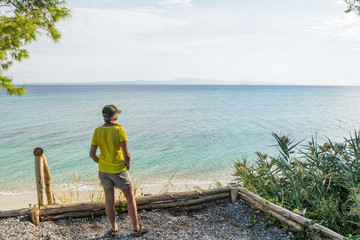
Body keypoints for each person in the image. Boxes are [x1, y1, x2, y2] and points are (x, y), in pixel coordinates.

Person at [89, 104, 147, 237]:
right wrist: (128, 165)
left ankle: (114, 228)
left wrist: (101, 162)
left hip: (104, 170)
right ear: (115, 116)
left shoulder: (97, 131)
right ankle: (135, 229)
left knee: (109, 199)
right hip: (118, 169)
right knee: (130, 197)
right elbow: (126, 154)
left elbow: (92, 154)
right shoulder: (120, 130)